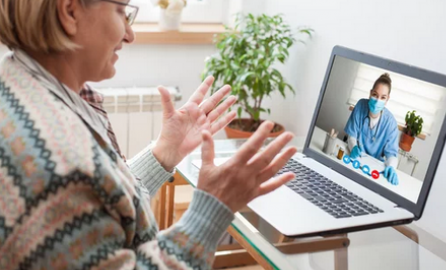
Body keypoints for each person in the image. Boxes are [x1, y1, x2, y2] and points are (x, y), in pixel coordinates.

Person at [0, 0, 297, 269]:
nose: (130, 35)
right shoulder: (58, 162)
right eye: (121, 12)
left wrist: (162, 154)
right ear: (70, 12)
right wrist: (212, 208)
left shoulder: (19, 81)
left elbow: (99, 202)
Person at [344, 73, 399, 185]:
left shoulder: (391, 123)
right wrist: (353, 146)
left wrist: (392, 167)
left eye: (383, 97)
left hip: (373, 169)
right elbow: (352, 135)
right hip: (356, 160)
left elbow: (391, 155)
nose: (378, 100)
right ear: (370, 93)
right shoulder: (360, 106)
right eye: (375, 95)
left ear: (387, 99)